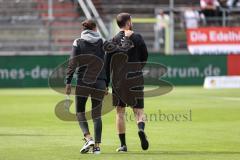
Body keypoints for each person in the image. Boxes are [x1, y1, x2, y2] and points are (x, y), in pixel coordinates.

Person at [105, 13, 149, 152]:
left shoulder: (113, 40)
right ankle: (141, 129)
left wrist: (106, 83)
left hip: (118, 79)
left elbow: (107, 64)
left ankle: (123, 145)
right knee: (138, 110)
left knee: (120, 112)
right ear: (128, 22)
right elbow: (145, 55)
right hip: (135, 76)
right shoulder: (138, 37)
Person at [65, 19, 107, 154]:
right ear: (95, 28)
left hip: (83, 82)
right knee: (97, 115)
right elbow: (107, 64)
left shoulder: (78, 42)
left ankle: (88, 138)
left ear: (84, 29)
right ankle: (97, 148)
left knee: (80, 112)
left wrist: (68, 81)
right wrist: (106, 83)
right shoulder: (103, 42)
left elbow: (72, 63)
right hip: (100, 81)